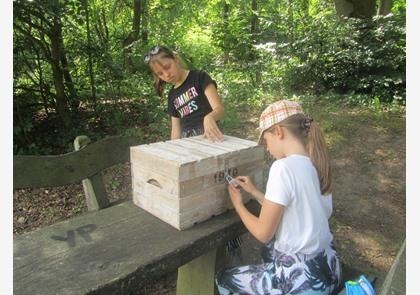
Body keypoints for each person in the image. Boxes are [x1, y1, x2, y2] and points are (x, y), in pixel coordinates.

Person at [215, 100, 342, 295]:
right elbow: (297, 208)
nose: (266, 148)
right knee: (269, 252)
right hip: (329, 269)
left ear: (279, 132)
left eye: (266, 140)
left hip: (301, 284)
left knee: (224, 278)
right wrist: (255, 192)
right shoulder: (317, 164)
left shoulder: (282, 167)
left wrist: (239, 204)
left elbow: (263, 234)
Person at [144, 45, 224, 142]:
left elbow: (219, 110)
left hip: (210, 137)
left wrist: (209, 117)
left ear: (176, 59)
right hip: (187, 142)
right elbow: (175, 130)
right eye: (160, 73)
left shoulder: (200, 77)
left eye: (168, 67)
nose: (166, 74)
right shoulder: (172, 95)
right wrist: (173, 148)